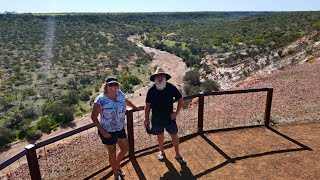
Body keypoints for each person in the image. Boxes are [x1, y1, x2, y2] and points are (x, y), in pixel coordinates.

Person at [91, 76, 142, 180]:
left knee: (125, 148)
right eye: (111, 85)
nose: (113, 87)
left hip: (120, 127)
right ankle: (115, 173)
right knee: (112, 152)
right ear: (106, 86)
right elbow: (93, 116)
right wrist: (102, 131)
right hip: (107, 131)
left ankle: (116, 165)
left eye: (115, 85)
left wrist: (135, 107)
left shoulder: (120, 94)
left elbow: (125, 101)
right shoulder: (101, 100)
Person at [144, 67, 186, 164]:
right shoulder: (151, 90)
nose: (160, 78)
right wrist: (146, 119)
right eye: (158, 76)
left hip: (169, 118)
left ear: (165, 77)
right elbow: (147, 106)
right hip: (156, 118)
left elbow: (180, 99)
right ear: (154, 78)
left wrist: (176, 112)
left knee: (174, 135)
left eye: (162, 75)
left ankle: (177, 154)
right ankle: (162, 151)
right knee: (160, 136)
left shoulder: (171, 87)